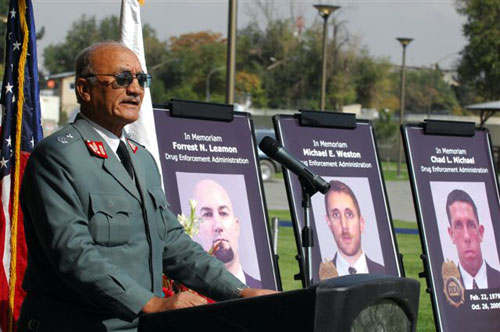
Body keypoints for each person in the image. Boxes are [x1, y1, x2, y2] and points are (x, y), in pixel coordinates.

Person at [18, 41, 274, 332]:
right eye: (122, 79)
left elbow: (174, 245)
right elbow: (73, 254)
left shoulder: (142, 160)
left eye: (141, 79)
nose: (136, 89)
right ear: (83, 89)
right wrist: (151, 304)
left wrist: (238, 292)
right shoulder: (58, 156)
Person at [191, 179, 262, 288]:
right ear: (196, 231)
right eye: (207, 214)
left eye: (223, 213)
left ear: (236, 226)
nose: (218, 226)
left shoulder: (264, 291)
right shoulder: (186, 296)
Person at [322, 180, 385, 277]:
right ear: (329, 223)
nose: (344, 226)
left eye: (349, 214)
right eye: (336, 215)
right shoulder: (320, 279)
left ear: (361, 223)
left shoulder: (385, 274)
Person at [446, 189, 500, 290]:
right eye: (458, 226)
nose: (466, 236)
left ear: (480, 232)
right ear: (451, 234)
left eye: (471, 225)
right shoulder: (444, 289)